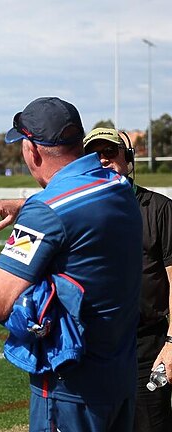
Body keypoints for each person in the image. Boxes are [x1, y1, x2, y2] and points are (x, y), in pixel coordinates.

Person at [0, 97, 143, 432]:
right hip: (119, 380)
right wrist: (24, 204)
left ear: (31, 151)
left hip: (70, 389)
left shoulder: (46, 213)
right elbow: (78, 205)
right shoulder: (118, 187)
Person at [83, 127, 172, 432]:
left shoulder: (158, 209)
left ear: (129, 158)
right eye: (95, 155)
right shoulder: (80, 211)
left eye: (111, 152)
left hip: (146, 346)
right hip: (94, 348)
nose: (103, 160)